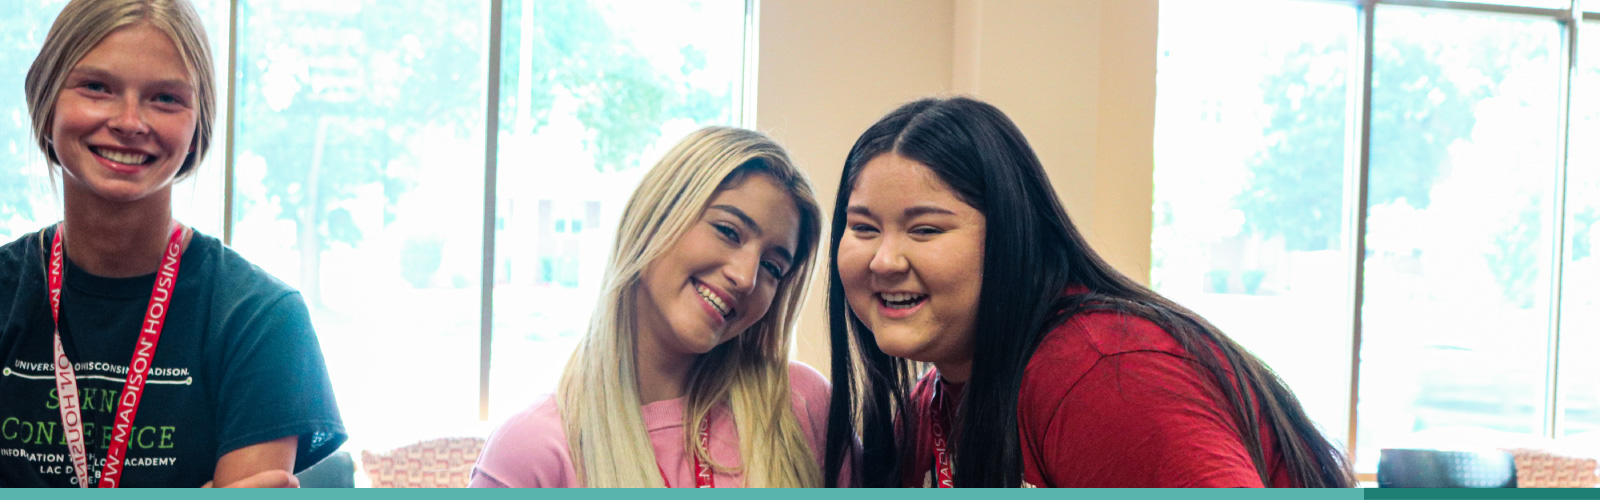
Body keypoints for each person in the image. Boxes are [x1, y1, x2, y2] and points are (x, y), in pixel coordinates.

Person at [821, 96, 1355, 488]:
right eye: (864, 228)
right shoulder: (927, 406)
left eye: (926, 230)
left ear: (1012, 236)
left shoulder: (1102, 372)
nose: (884, 260)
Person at [0, 0, 346, 488]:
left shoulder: (261, 318)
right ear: (45, 100)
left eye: (164, 98)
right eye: (97, 88)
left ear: (197, 124)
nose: (129, 121)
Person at [471, 127, 830, 488]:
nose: (746, 277)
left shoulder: (799, 405)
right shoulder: (531, 450)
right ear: (655, 217)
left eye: (772, 267)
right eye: (728, 231)